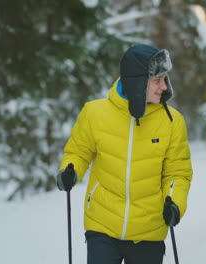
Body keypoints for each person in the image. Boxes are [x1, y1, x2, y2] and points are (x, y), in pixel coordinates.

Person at [56, 44, 193, 264]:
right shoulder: (95, 113)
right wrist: (69, 171)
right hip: (102, 224)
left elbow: (178, 172)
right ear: (138, 82)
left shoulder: (172, 121)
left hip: (149, 230)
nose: (164, 86)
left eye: (165, 79)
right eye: (157, 80)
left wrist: (175, 202)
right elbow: (78, 152)